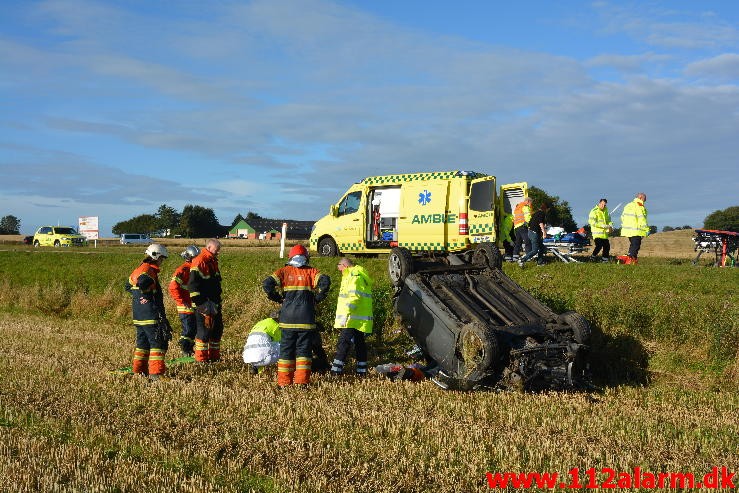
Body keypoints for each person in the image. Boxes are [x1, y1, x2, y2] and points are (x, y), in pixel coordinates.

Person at [263, 244, 331, 387]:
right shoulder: (312, 272)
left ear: (291, 257)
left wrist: (277, 298)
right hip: (306, 319)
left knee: (286, 351)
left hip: (287, 319)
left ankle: (283, 383)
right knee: (303, 352)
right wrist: (317, 298)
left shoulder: (283, 271)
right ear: (306, 258)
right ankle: (301, 382)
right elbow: (325, 281)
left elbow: (267, 284)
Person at [126, 244, 171, 379]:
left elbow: (127, 286)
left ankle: (139, 371)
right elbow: (142, 283)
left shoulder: (138, 269)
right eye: (161, 259)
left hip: (139, 316)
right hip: (151, 315)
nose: (161, 262)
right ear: (156, 256)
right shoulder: (149, 270)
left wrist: (139, 297)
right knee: (157, 345)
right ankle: (156, 375)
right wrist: (146, 296)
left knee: (142, 346)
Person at [242, 311, 331, 375]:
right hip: (263, 355)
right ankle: (307, 368)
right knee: (290, 349)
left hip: (247, 357)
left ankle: (254, 368)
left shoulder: (263, 323)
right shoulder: (278, 327)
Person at [330, 257, 374, 377]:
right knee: (359, 343)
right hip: (358, 318)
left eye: (339, 266)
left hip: (352, 317)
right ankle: (361, 371)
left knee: (343, 342)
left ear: (344, 265)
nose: (338, 269)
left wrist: (345, 314)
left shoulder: (354, 276)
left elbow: (355, 297)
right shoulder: (355, 275)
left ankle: (336, 370)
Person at [188, 239, 223, 363]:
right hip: (204, 304)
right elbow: (193, 286)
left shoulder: (212, 261)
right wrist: (201, 304)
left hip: (214, 302)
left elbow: (216, 282)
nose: (217, 253)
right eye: (216, 251)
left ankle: (214, 358)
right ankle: (201, 360)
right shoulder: (200, 261)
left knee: (217, 330)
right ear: (208, 247)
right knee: (204, 333)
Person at [168, 245, 200, 356]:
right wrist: (181, 301)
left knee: (193, 330)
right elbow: (173, 287)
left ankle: (188, 349)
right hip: (185, 306)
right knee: (188, 330)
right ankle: (185, 349)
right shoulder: (183, 269)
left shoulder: (194, 268)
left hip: (193, 305)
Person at [620, 193, 649, 263]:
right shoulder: (639, 206)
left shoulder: (628, 205)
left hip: (628, 230)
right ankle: (629, 259)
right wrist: (646, 229)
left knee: (633, 245)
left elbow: (622, 217)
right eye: (645, 198)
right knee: (636, 245)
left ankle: (633, 260)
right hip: (636, 230)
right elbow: (641, 219)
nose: (645, 199)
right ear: (640, 197)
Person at [518, 202, 549, 267]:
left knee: (542, 248)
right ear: (546, 209)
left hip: (532, 232)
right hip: (534, 234)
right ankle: (522, 260)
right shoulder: (541, 213)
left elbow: (529, 224)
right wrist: (544, 232)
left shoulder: (535, 213)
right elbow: (540, 223)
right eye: (548, 209)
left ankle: (540, 263)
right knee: (535, 250)